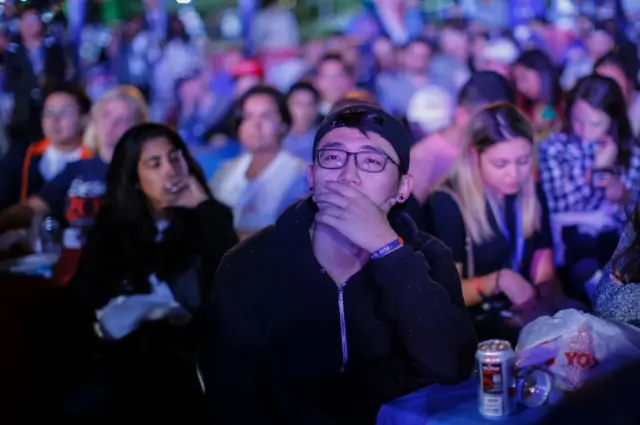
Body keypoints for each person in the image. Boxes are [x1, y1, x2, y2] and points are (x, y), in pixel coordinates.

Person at [201, 104, 477, 425]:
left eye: (372, 161)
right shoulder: (248, 265)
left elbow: (452, 366)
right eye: (332, 158)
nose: (348, 176)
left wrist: (387, 250)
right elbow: (230, 401)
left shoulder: (428, 257)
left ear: (403, 188)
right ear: (311, 177)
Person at [53, 123, 238, 423]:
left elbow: (230, 281)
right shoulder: (112, 224)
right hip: (120, 352)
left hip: (188, 353)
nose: (171, 170)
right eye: (155, 163)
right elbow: (85, 295)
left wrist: (203, 207)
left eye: (175, 158)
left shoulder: (210, 217)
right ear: (135, 178)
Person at [425, 102, 567, 344]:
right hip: (478, 327)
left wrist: (548, 305)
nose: (514, 174)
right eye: (500, 164)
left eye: (523, 161)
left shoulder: (533, 193)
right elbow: (447, 291)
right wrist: (497, 280)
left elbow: (544, 269)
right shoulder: (448, 202)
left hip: (527, 317)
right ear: (474, 155)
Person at [0, 86, 148, 283]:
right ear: (95, 121)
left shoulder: (146, 171)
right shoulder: (77, 169)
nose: (111, 125)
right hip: (76, 269)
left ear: (137, 125)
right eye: (106, 115)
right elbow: (31, 207)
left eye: (122, 120)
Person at [539, 74, 640, 299]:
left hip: (619, 245)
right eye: (577, 119)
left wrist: (623, 196)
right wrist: (597, 169)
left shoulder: (630, 152)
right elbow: (561, 206)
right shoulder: (555, 147)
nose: (584, 130)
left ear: (613, 119)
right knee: (582, 248)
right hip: (573, 247)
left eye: (595, 123)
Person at [209, 85, 308, 240]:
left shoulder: (300, 174)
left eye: (266, 116)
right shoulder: (226, 171)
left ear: (283, 125)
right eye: (248, 116)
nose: (255, 126)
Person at [410, 71, 516, 204]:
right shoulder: (427, 155)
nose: (496, 130)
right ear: (462, 114)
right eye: (490, 121)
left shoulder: (483, 152)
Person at [0, 83, 92, 213]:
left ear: (84, 119)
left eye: (64, 112)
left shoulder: (94, 160)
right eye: (48, 112)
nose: (55, 119)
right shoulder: (22, 155)